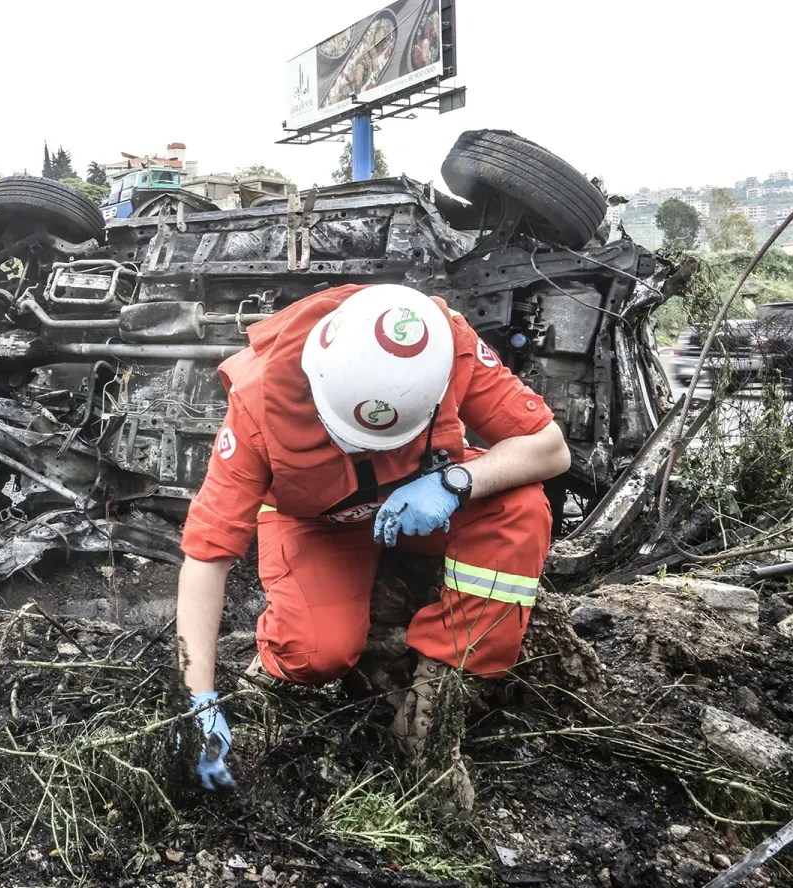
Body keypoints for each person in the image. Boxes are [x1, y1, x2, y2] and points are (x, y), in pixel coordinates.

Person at [174, 284, 570, 793]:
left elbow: (551, 448)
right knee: (316, 653)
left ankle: (429, 714)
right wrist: (197, 700)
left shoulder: (446, 344)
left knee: (520, 509)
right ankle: (272, 667)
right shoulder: (257, 400)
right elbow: (206, 556)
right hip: (319, 524)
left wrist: (456, 482)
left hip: (425, 506)